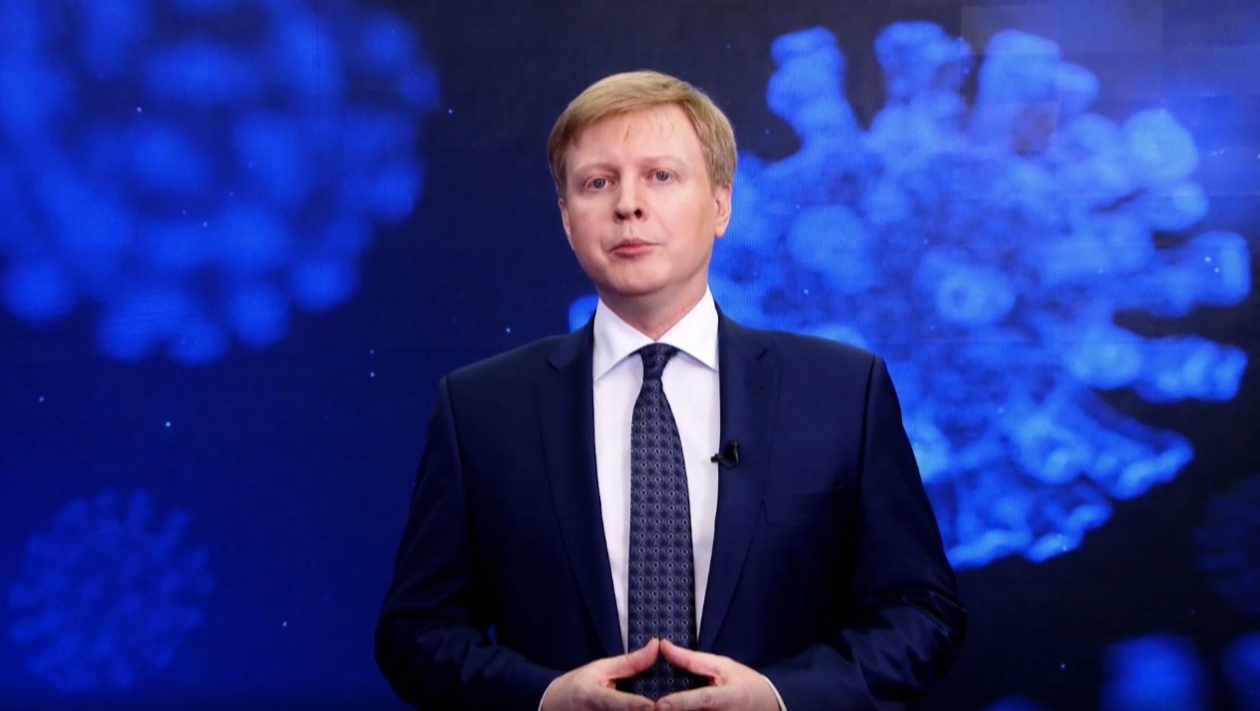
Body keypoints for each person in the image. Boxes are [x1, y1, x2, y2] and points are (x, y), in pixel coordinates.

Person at [376, 70, 966, 711]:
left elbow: (921, 612)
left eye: (660, 176)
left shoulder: (844, 393)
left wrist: (779, 698)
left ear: (721, 205)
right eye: (597, 183)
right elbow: (417, 633)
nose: (628, 205)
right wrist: (542, 699)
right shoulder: (481, 409)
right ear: (567, 219)